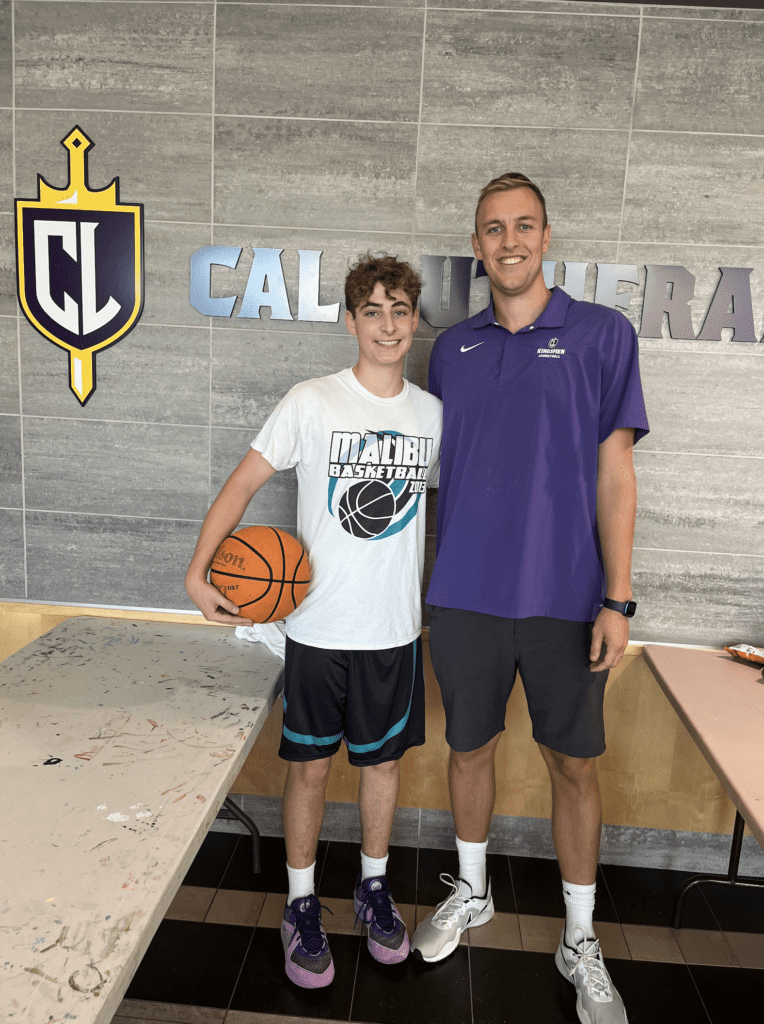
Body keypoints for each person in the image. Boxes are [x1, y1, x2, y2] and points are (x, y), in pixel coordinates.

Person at [410, 174, 648, 1024]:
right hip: (466, 593)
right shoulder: (451, 350)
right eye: (491, 229)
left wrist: (618, 599)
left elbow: (615, 474)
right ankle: (472, 893)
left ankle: (579, 937)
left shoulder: (601, 334)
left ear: (547, 236)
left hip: (566, 598)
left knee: (574, 766)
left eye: (522, 226)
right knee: (468, 749)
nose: (508, 242)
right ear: (475, 246)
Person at [185, 254, 442, 989]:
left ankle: (371, 888)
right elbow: (242, 482)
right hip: (317, 631)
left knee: (382, 767)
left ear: (415, 320)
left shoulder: (432, 415)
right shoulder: (312, 401)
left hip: (393, 631)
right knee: (307, 768)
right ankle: (301, 903)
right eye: (373, 311)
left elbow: (471, 508)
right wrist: (197, 572)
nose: (387, 324)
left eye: (399, 311)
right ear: (352, 320)